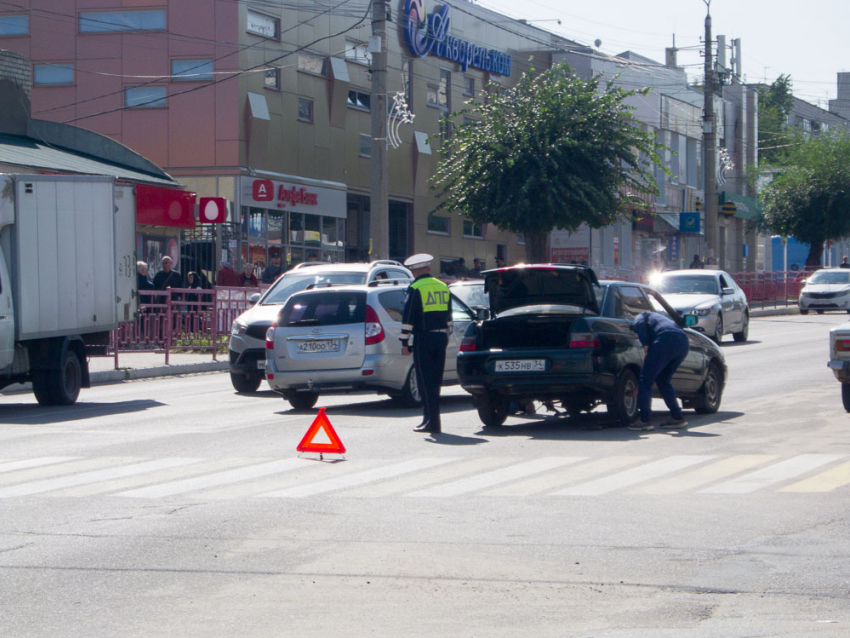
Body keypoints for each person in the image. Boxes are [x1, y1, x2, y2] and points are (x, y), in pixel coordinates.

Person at [400, 253, 452, 435]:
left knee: (423, 380)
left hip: (424, 338)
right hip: (441, 338)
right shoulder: (443, 286)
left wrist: (404, 341)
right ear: (428, 269)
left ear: (414, 272)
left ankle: (433, 422)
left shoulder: (415, 288)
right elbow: (449, 317)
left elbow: (408, 317)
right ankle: (428, 419)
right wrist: (446, 336)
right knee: (435, 381)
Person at [629, 311, 690, 431]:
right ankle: (677, 417)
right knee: (663, 380)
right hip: (683, 342)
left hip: (665, 340)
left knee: (646, 381)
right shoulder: (658, 318)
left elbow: (642, 334)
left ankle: (644, 420)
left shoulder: (639, 317)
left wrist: (645, 350)